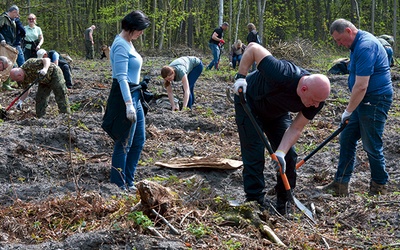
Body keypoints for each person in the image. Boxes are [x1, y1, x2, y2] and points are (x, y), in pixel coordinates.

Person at [232, 42, 331, 214]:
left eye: (318, 102)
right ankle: (254, 200)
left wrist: (281, 152)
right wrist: (241, 77)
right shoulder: (282, 72)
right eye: (313, 100)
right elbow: (253, 48)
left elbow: (296, 129)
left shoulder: (316, 101)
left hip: (276, 113)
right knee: (254, 153)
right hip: (249, 103)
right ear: (304, 88)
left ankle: (284, 201)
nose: (315, 105)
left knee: (289, 155)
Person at [320, 19, 393, 196]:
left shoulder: (365, 46)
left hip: (375, 100)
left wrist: (348, 111)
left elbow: (361, 86)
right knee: (346, 138)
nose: (339, 44)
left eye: (339, 40)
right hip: (362, 99)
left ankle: (379, 186)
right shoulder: (356, 45)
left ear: (348, 31)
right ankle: (340, 184)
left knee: (371, 144)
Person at [102, 10, 150, 191]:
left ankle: (129, 181)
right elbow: (121, 77)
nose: (142, 33)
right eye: (140, 29)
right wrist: (128, 104)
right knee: (123, 142)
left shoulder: (129, 42)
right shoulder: (120, 45)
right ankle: (117, 184)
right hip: (125, 96)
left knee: (138, 140)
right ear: (131, 28)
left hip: (135, 94)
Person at [0, 5, 20, 90]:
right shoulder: (3, 18)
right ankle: (5, 84)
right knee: (5, 63)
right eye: (16, 14)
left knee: (11, 63)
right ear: (13, 12)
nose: (17, 16)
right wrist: (1, 39)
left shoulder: (12, 20)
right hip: (3, 44)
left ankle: (6, 83)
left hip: (9, 44)